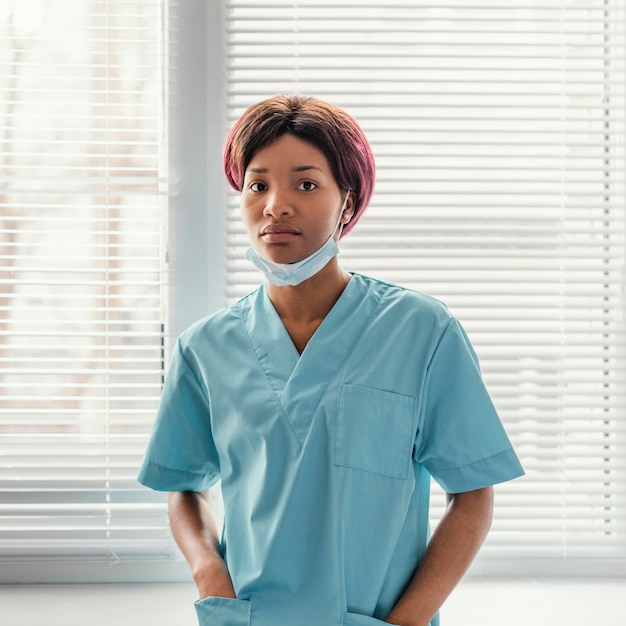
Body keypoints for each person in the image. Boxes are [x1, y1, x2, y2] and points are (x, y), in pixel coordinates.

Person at [138, 95, 524, 626]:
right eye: (257, 184)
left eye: (306, 184)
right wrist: (210, 575)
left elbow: (473, 493)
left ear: (348, 202)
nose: (276, 205)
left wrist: (408, 620)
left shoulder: (421, 331)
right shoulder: (204, 347)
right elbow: (184, 486)